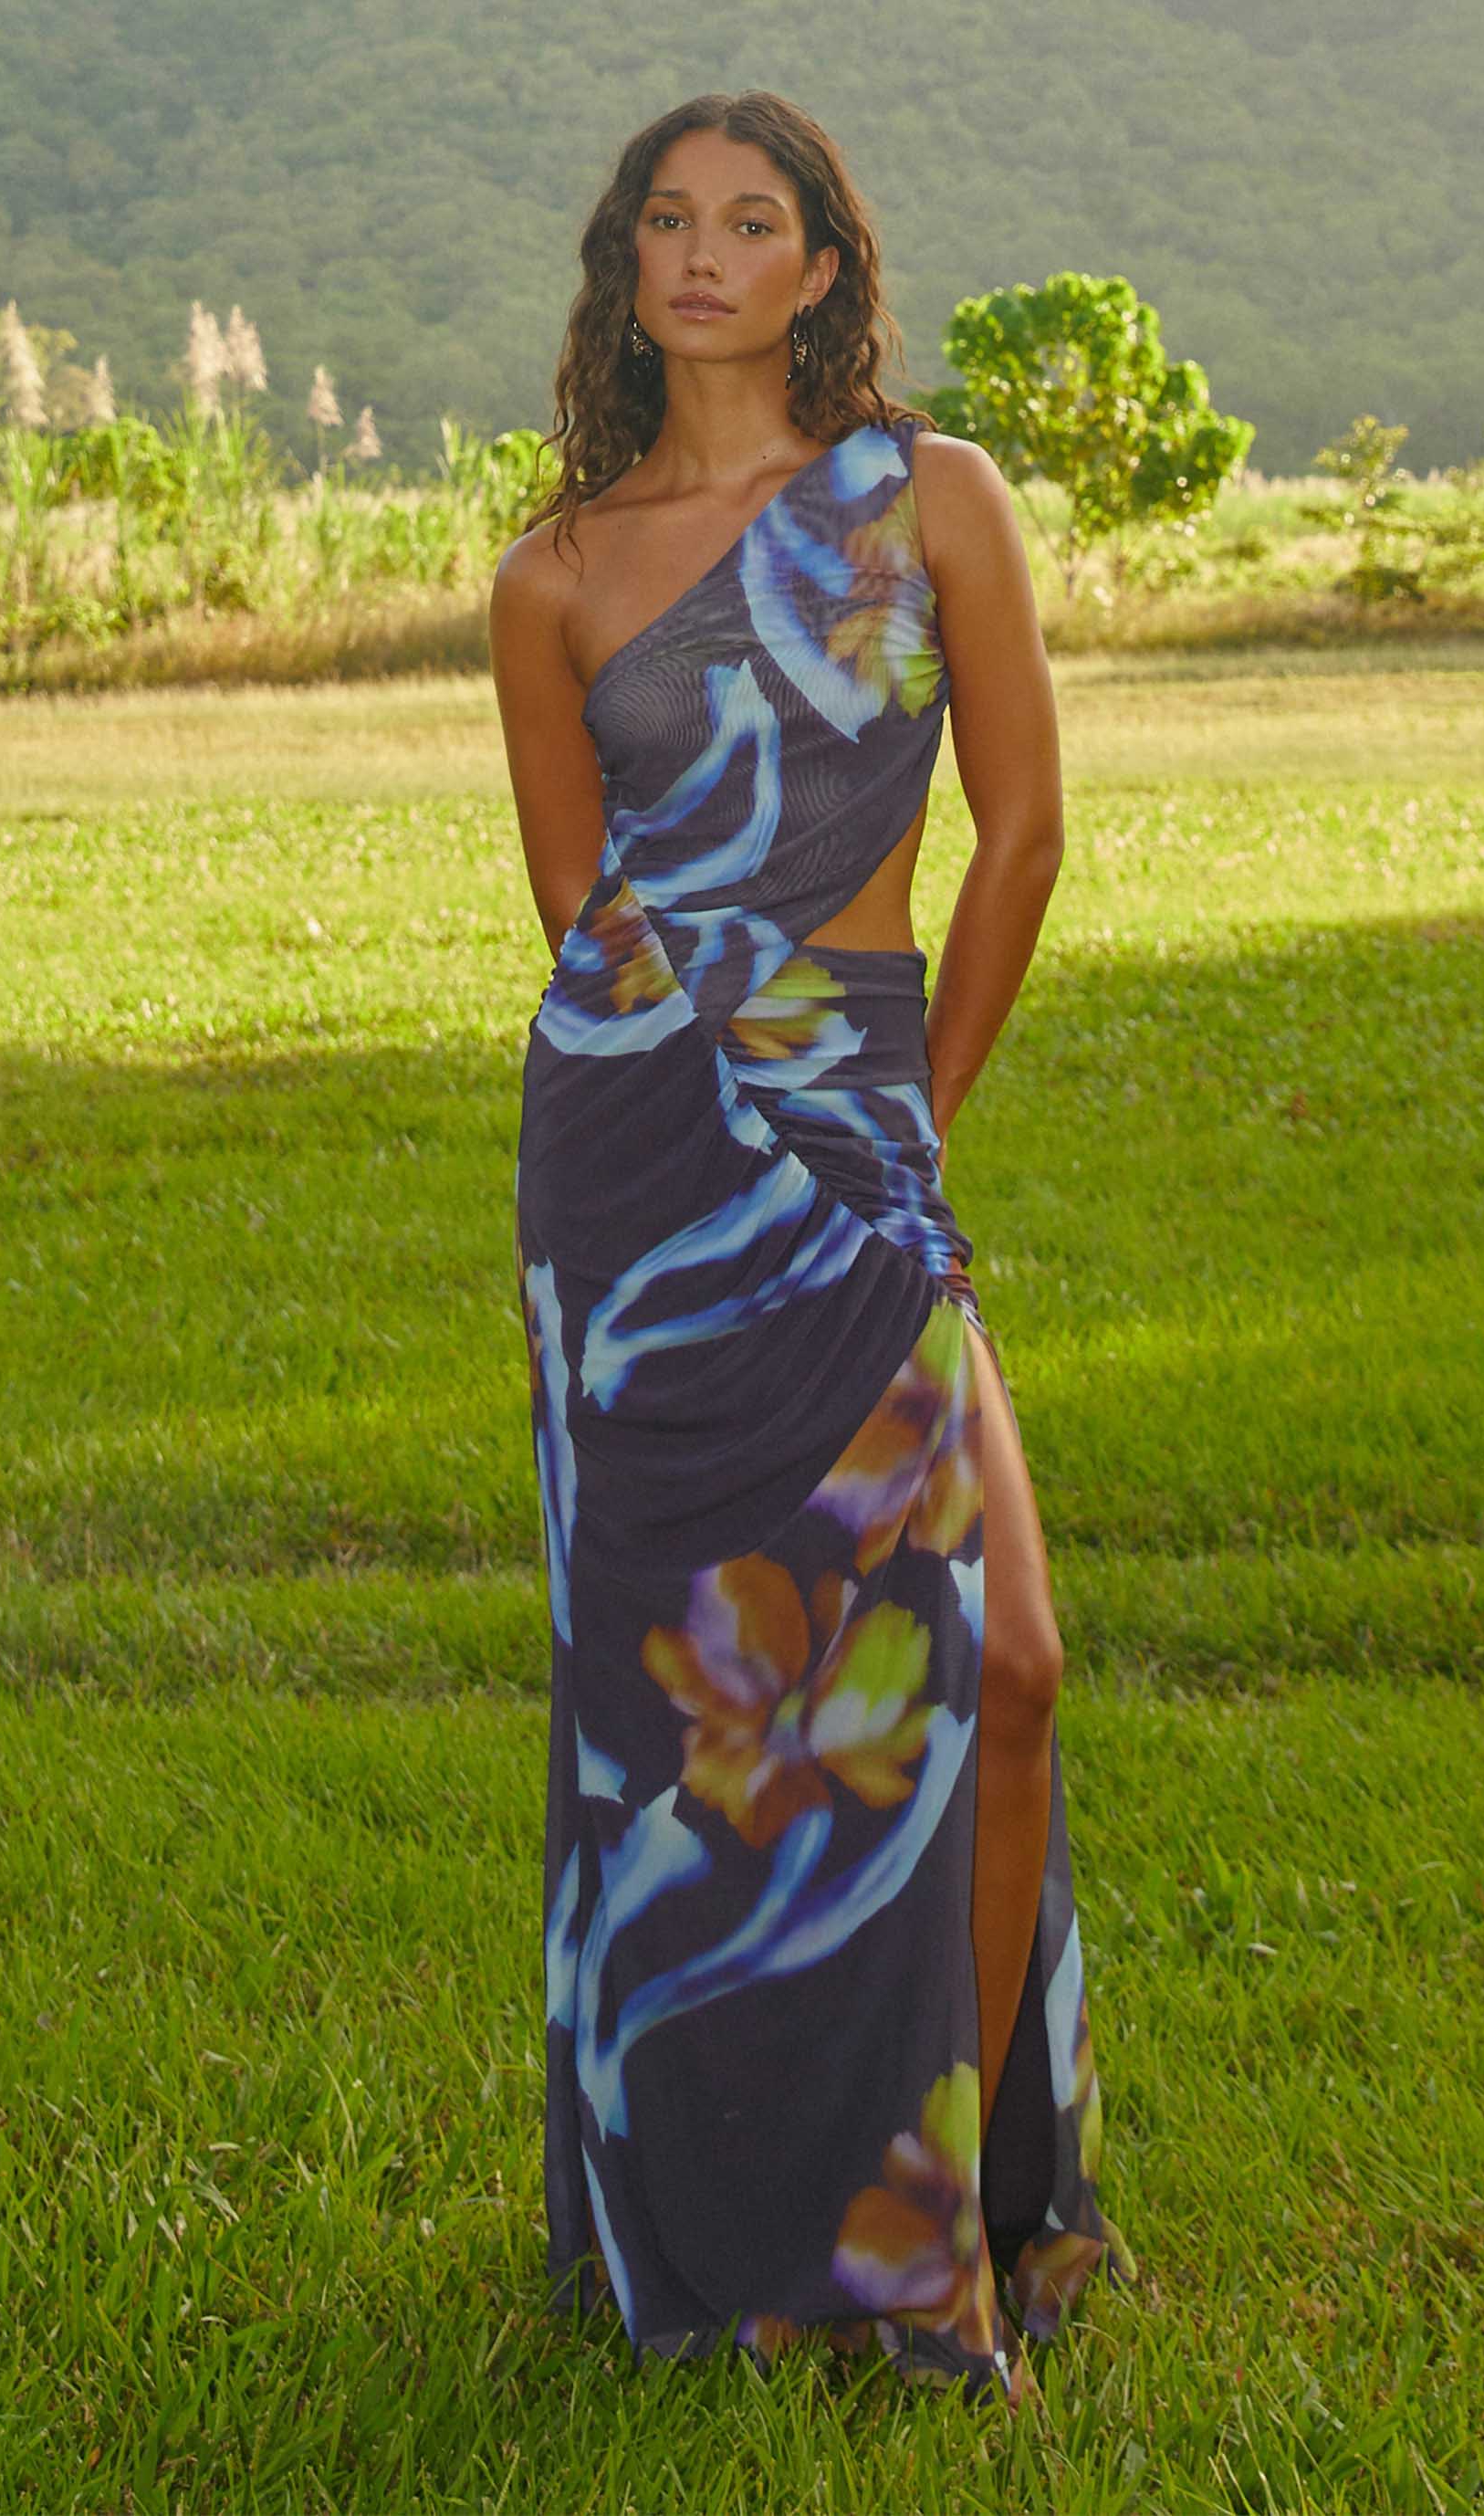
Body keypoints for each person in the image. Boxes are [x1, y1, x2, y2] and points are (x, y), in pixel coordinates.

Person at [486, 88, 1133, 2409]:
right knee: (688, 1722)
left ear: (822, 268)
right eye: (665, 218)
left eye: (749, 220)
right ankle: (765, 2241)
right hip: (645, 1173)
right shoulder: (554, 577)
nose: (700, 252)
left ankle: (971, 2213)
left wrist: (897, 1129)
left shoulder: (928, 499)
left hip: (861, 1112)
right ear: (624, 266)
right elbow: (583, 922)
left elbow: (1021, 837)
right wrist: (717, 1135)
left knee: (1009, 1663)